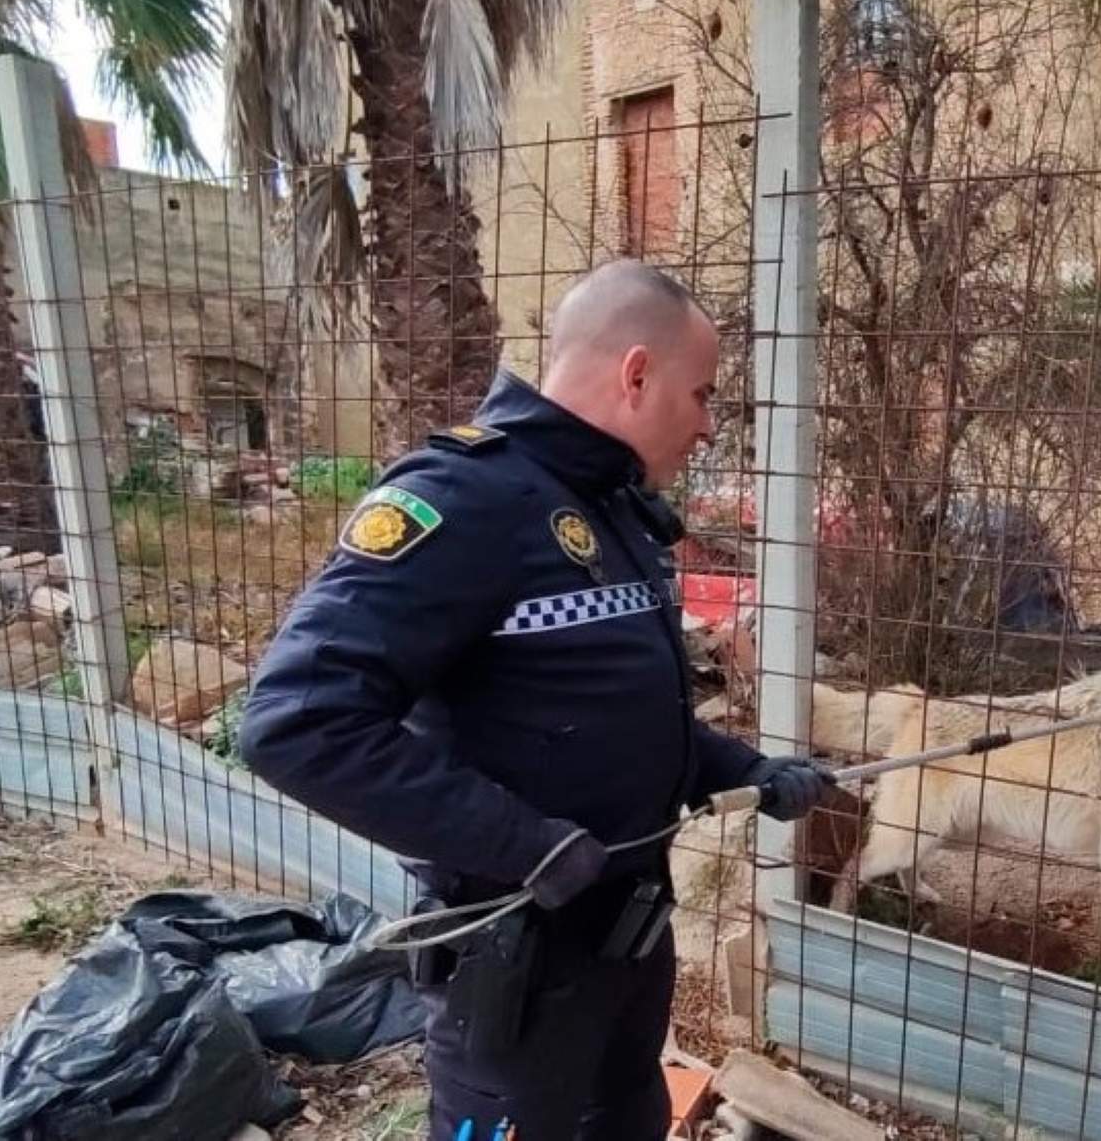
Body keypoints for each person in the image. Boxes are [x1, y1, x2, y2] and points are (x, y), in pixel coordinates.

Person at [241, 260, 832, 1139]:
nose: (707, 426)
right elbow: (295, 721)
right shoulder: (466, 500)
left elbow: (603, 716)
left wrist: (744, 767)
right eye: (702, 395)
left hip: (625, 943)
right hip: (519, 968)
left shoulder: (611, 511)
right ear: (636, 373)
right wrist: (523, 843)